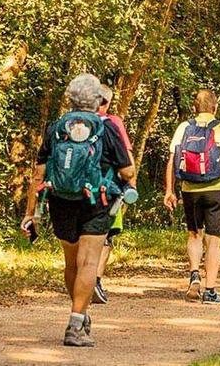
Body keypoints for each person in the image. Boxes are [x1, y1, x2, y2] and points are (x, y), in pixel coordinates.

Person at [22, 74, 134, 347]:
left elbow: (38, 173)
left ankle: (80, 316)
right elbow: (127, 170)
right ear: (97, 101)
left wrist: (30, 212)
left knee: (72, 263)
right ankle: (76, 323)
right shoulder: (106, 128)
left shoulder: (56, 128)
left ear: (70, 99)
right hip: (97, 203)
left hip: (60, 201)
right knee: (89, 263)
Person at [164, 90, 220, 304]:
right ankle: (210, 290)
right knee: (213, 241)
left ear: (194, 108)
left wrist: (169, 190)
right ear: (215, 107)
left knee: (194, 234)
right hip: (217, 189)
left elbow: (172, 159)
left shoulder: (184, 128)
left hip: (190, 189)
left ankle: (194, 274)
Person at [92, 84, 135, 305]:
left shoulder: (70, 122)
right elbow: (126, 159)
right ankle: (95, 280)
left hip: (74, 191)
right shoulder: (112, 123)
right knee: (105, 237)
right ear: (107, 102)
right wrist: (131, 184)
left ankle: (81, 278)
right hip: (106, 190)